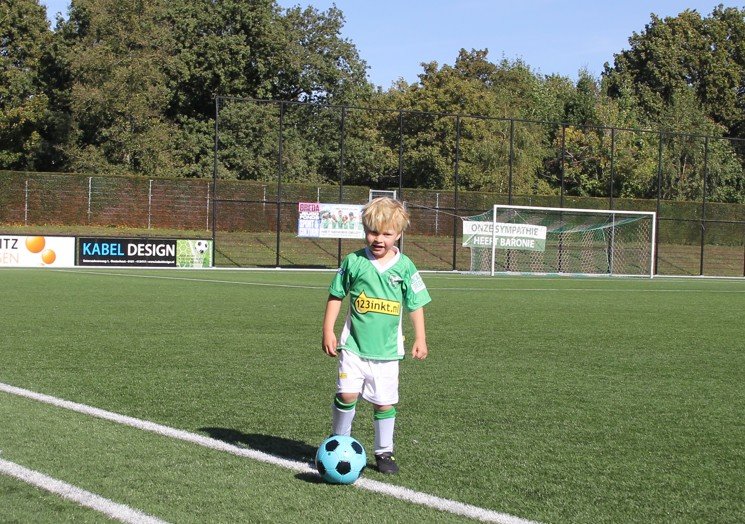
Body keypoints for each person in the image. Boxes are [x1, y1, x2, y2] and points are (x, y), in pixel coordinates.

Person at [321, 197, 431, 474]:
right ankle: (339, 440)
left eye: (386, 234)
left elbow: (416, 303)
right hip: (354, 346)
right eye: (373, 232)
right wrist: (328, 330)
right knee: (347, 395)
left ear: (399, 234)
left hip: (387, 352)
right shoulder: (354, 261)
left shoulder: (405, 266)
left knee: (384, 403)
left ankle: (384, 452)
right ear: (364, 230)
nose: (378, 239)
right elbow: (336, 295)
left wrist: (420, 338)